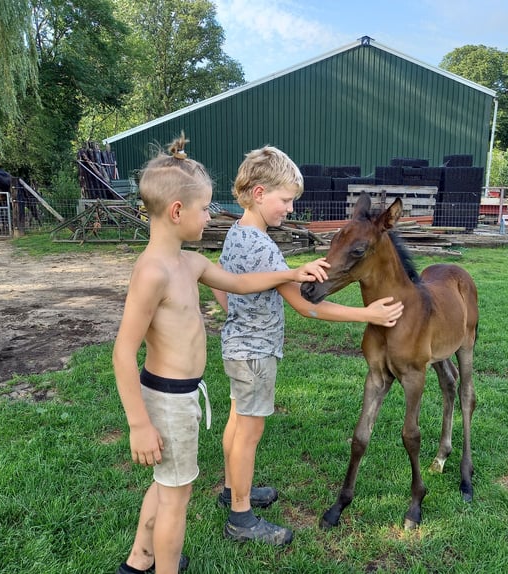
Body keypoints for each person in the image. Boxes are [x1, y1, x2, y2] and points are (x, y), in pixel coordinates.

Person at [113, 134, 329, 574]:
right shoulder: (152, 272)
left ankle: (139, 560)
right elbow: (122, 351)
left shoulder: (190, 263)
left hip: (187, 394)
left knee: (167, 483)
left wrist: (292, 271)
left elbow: (240, 284)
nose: (210, 215)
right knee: (177, 497)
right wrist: (138, 424)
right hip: (167, 399)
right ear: (177, 212)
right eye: (205, 208)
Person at [212, 146, 404, 546]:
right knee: (249, 432)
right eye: (286, 200)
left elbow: (221, 287)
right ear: (260, 193)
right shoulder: (264, 248)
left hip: (236, 346)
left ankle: (232, 490)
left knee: (236, 421)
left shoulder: (236, 234)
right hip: (257, 353)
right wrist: (367, 316)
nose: (290, 209)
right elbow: (305, 306)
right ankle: (241, 518)